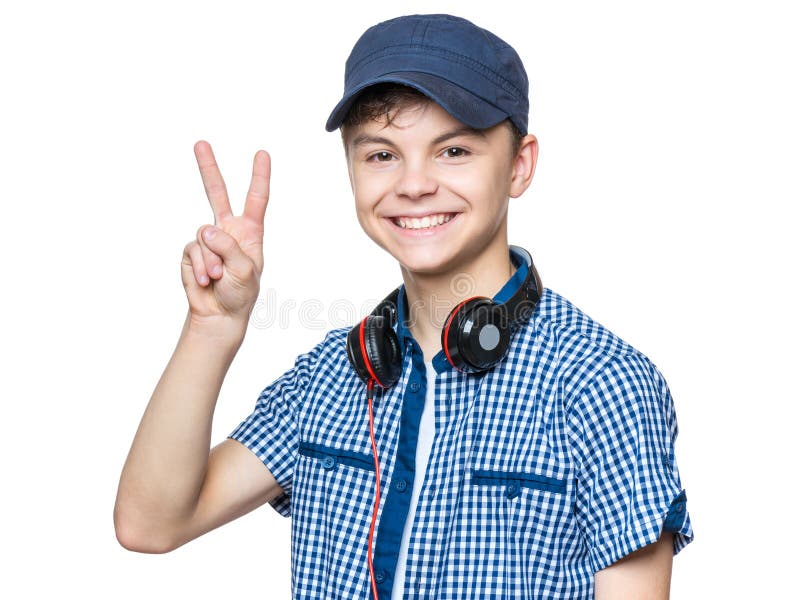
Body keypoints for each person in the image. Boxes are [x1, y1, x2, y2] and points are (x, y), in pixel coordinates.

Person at [114, 13, 693, 599]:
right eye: (382, 155)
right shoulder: (328, 378)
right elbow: (151, 523)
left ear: (520, 164)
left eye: (454, 150)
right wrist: (212, 327)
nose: (413, 184)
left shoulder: (603, 383)